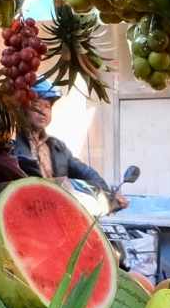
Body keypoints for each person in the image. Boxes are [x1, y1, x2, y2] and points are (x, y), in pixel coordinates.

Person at [14, 79, 129, 210]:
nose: (44, 112)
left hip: (60, 211)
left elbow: (86, 173)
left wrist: (108, 196)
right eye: (37, 105)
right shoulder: (11, 148)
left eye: (47, 106)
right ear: (22, 110)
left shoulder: (57, 147)